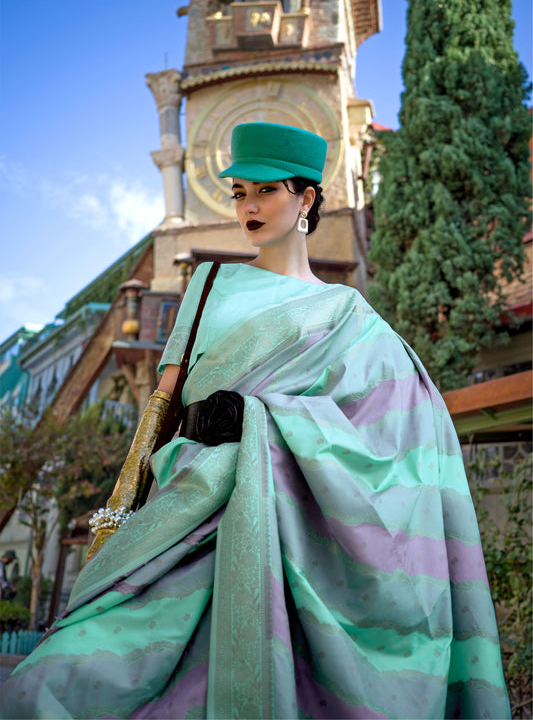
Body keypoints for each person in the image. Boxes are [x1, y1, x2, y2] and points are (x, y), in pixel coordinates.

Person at [0, 122, 509, 719]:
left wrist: (261, 420)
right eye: (240, 192)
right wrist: (122, 508)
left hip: (292, 533)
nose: (249, 206)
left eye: (266, 191)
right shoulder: (209, 283)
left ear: (307, 198)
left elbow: (390, 433)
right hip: (183, 518)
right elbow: (160, 409)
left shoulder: (348, 315)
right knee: (58, 679)